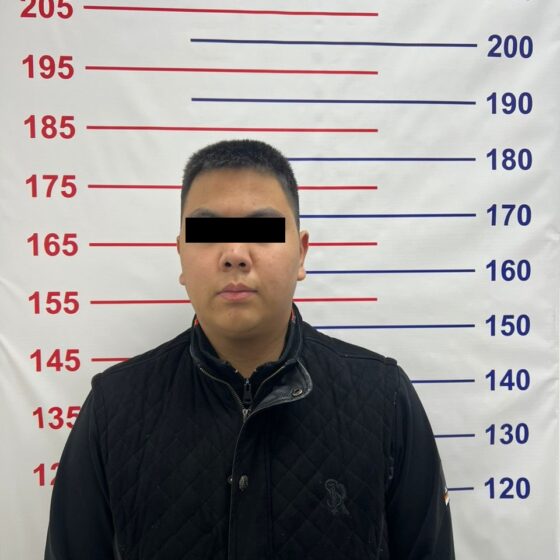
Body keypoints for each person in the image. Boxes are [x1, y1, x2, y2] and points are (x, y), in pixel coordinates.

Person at [44, 139, 455, 559]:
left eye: (262, 230)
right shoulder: (113, 408)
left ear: (301, 253)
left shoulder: (384, 398)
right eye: (208, 233)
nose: (235, 254)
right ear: (181, 255)